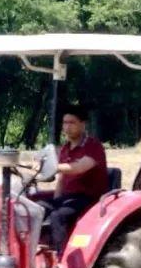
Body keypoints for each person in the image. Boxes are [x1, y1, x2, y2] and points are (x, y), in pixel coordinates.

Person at [37, 104, 108, 257]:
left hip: (89, 198)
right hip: (68, 198)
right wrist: (56, 200)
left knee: (58, 216)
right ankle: (35, 250)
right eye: (65, 123)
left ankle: (61, 258)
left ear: (83, 124)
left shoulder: (93, 146)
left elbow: (79, 168)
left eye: (72, 123)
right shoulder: (65, 148)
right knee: (37, 208)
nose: (67, 127)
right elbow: (62, 179)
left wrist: (53, 167)